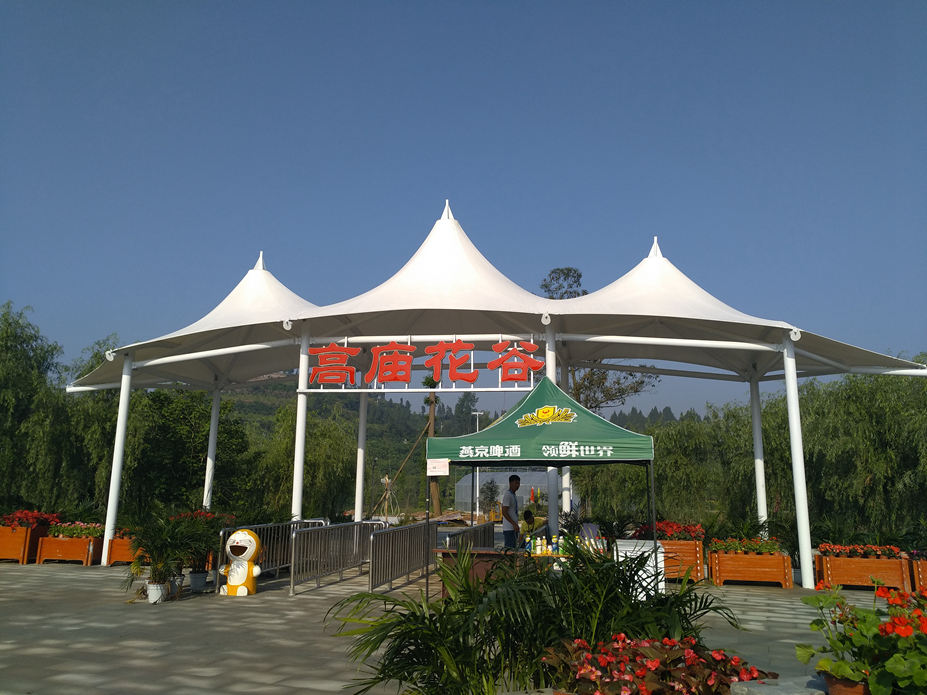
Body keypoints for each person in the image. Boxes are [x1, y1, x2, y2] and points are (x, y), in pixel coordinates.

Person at [501, 474, 521, 548]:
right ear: (510, 483)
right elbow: (504, 512)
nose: (517, 485)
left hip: (513, 528)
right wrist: (514, 524)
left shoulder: (513, 495)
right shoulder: (508, 495)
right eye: (516, 483)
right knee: (509, 550)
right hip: (509, 528)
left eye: (518, 483)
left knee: (514, 548)